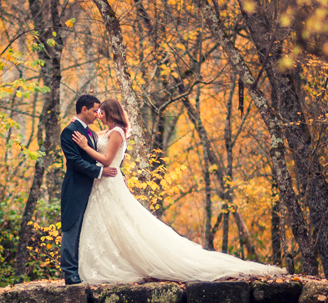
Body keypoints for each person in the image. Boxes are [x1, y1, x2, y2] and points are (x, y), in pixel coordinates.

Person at [72, 97, 285, 284]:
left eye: (101, 112)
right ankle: (109, 262)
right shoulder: (109, 131)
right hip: (102, 185)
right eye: (96, 112)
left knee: (125, 224)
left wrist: (85, 147)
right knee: (109, 225)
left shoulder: (117, 132)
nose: (98, 115)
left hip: (110, 181)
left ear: (110, 112)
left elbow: (107, 160)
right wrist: (79, 124)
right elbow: (93, 134)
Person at [59, 94, 118, 285]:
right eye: (94, 111)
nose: (97, 115)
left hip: (92, 189)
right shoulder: (69, 131)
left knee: (86, 230)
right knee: (72, 228)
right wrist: (101, 171)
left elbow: (102, 140)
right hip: (76, 187)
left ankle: (85, 269)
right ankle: (70, 273)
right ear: (84, 110)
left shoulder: (89, 132)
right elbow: (75, 162)